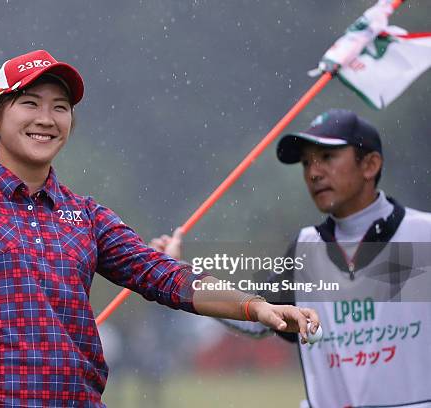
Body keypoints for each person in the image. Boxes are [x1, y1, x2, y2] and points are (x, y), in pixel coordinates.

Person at [0, 49, 320, 407]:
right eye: (29, 103)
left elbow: (166, 275)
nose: (46, 118)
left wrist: (256, 306)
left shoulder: (85, 216)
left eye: (60, 107)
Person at [151, 108, 431, 407]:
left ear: (370, 164)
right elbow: (258, 318)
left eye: (327, 157)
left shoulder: (423, 235)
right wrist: (178, 271)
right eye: (307, 162)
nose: (313, 172)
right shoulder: (307, 247)